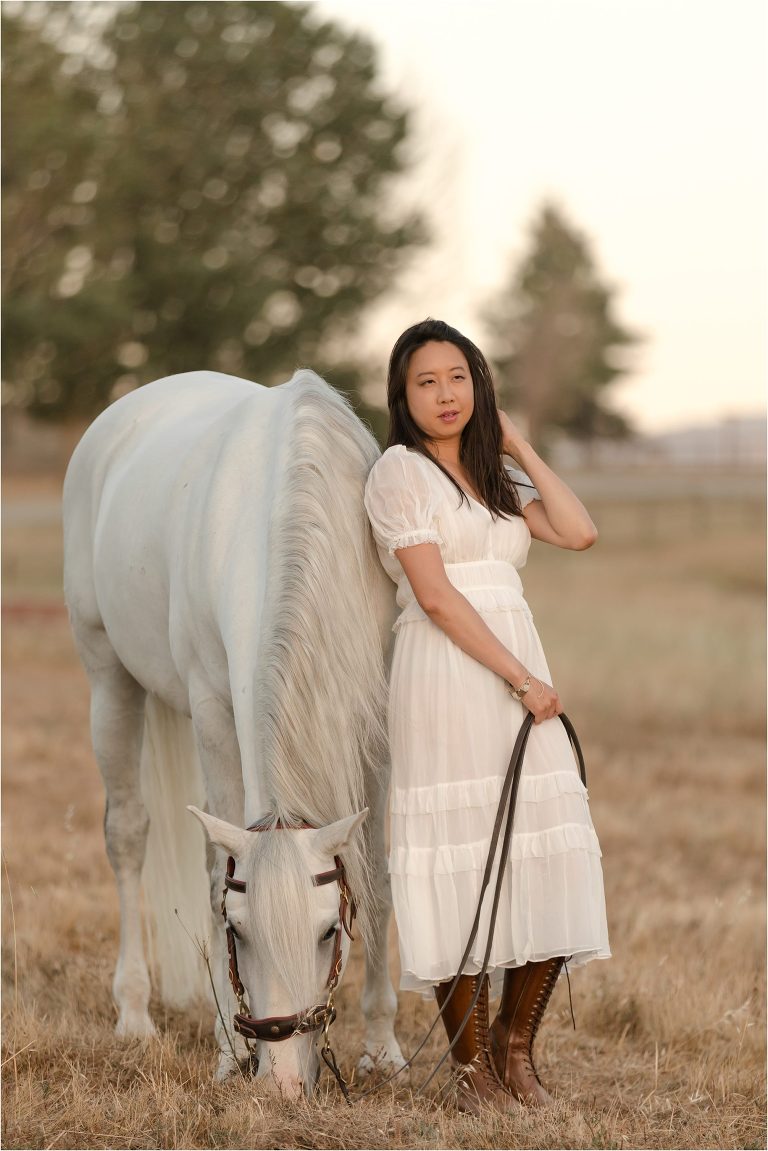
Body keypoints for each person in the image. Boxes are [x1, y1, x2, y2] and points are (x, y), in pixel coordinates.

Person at [363, 319, 611, 1114]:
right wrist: (519, 677)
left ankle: (515, 1047)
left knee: (551, 847)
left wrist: (520, 449)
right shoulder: (398, 473)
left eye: (458, 377)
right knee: (460, 860)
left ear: (480, 387)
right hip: (452, 673)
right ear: (402, 396)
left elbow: (579, 531)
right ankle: (471, 1071)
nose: (445, 394)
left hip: (517, 670)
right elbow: (435, 597)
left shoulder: (491, 476)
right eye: (426, 381)